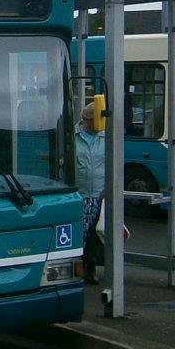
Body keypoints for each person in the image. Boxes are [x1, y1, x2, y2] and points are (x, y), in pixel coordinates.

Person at [76, 102, 106, 284]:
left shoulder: (105, 137)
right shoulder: (73, 137)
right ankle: (77, 268)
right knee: (81, 234)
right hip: (80, 195)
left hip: (99, 195)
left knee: (96, 235)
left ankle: (90, 268)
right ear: (86, 121)